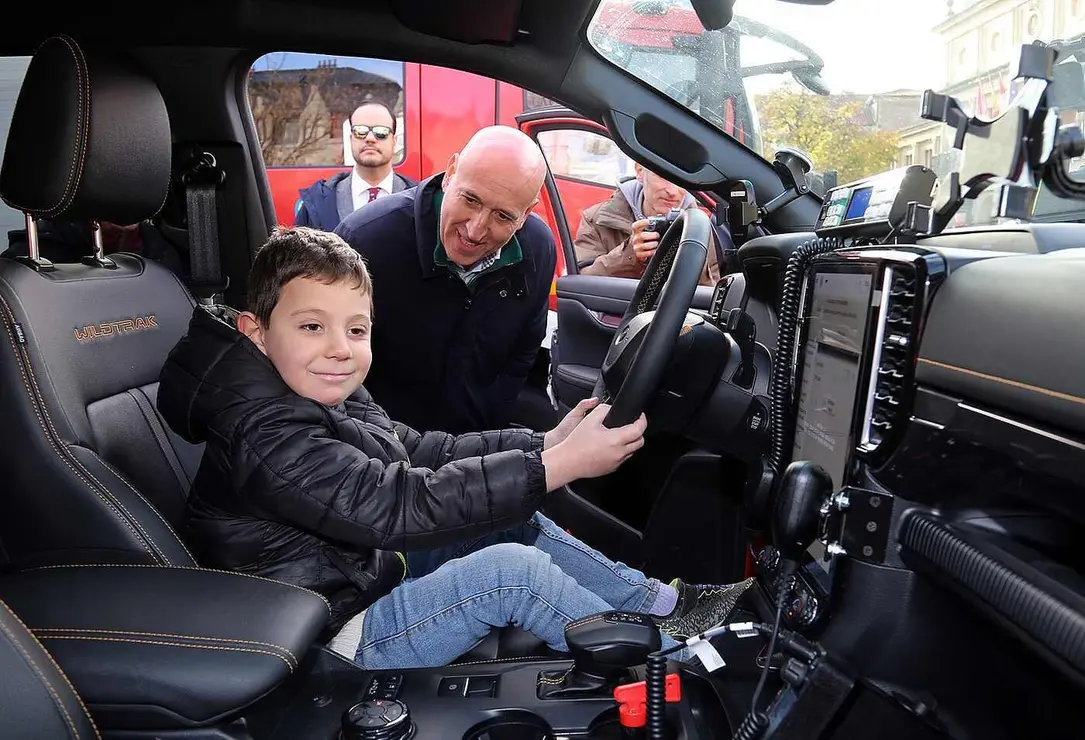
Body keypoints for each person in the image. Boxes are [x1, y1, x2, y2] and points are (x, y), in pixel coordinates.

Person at [156, 227, 752, 669]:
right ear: (255, 331)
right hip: (327, 630)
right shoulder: (265, 431)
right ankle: (678, 667)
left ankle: (668, 604)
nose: (340, 348)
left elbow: (416, 450)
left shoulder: (316, 388)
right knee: (511, 574)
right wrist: (557, 466)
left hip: (361, 571)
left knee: (513, 517)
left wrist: (543, 444)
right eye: (312, 326)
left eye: (356, 329)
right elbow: (393, 505)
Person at [334, 125, 554, 435]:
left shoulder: (538, 250)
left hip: (474, 446)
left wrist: (489, 426)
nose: (476, 230)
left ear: (525, 214)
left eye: (503, 216)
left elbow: (522, 355)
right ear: (451, 172)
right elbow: (330, 358)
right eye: (471, 200)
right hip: (380, 446)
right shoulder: (366, 239)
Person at [575, 164, 729, 285]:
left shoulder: (700, 226)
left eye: (681, 180)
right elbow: (579, 283)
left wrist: (690, 251)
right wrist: (630, 255)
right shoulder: (598, 218)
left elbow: (709, 295)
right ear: (640, 171)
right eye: (663, 176)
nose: (673, 191)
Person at [294, 101, 417, 232]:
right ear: (351, 138)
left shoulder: (419, 201)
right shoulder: (316, 203)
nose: (370, 138)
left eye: (381, 132)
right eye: (360, 131)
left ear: (394, 141)